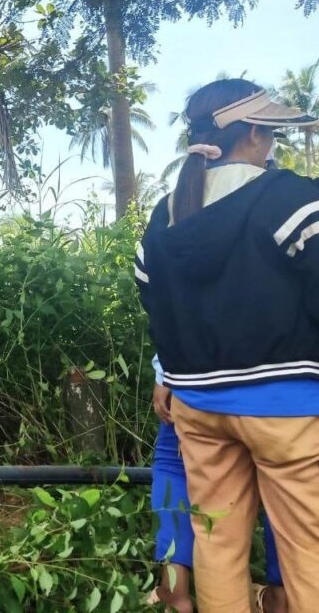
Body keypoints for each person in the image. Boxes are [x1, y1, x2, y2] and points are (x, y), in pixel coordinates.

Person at [136, 79, 319, 612]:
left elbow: (149, 293)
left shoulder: (167, 212)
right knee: (307, 544)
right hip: (285, 407)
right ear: (256, 133)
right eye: (271, 133)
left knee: (216, 539)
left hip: (197, 407)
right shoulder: (290, 198)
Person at [148, 355, 286, 613]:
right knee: (283, 482)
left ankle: (174, 593)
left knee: (176, 466)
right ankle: (281, 598)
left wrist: (165, 371)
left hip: (197, 375)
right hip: (286, 377)